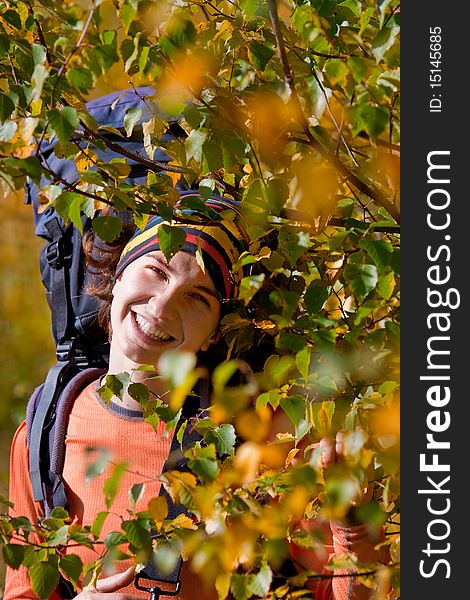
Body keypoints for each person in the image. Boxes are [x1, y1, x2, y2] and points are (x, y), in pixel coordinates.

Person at [4, 191, 387, 600]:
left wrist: (352, 523)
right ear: (117, 276)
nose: (163, 305)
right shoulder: (43, 436)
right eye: (156, 270)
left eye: (198, 298)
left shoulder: (258, 440)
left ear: (215, 334)